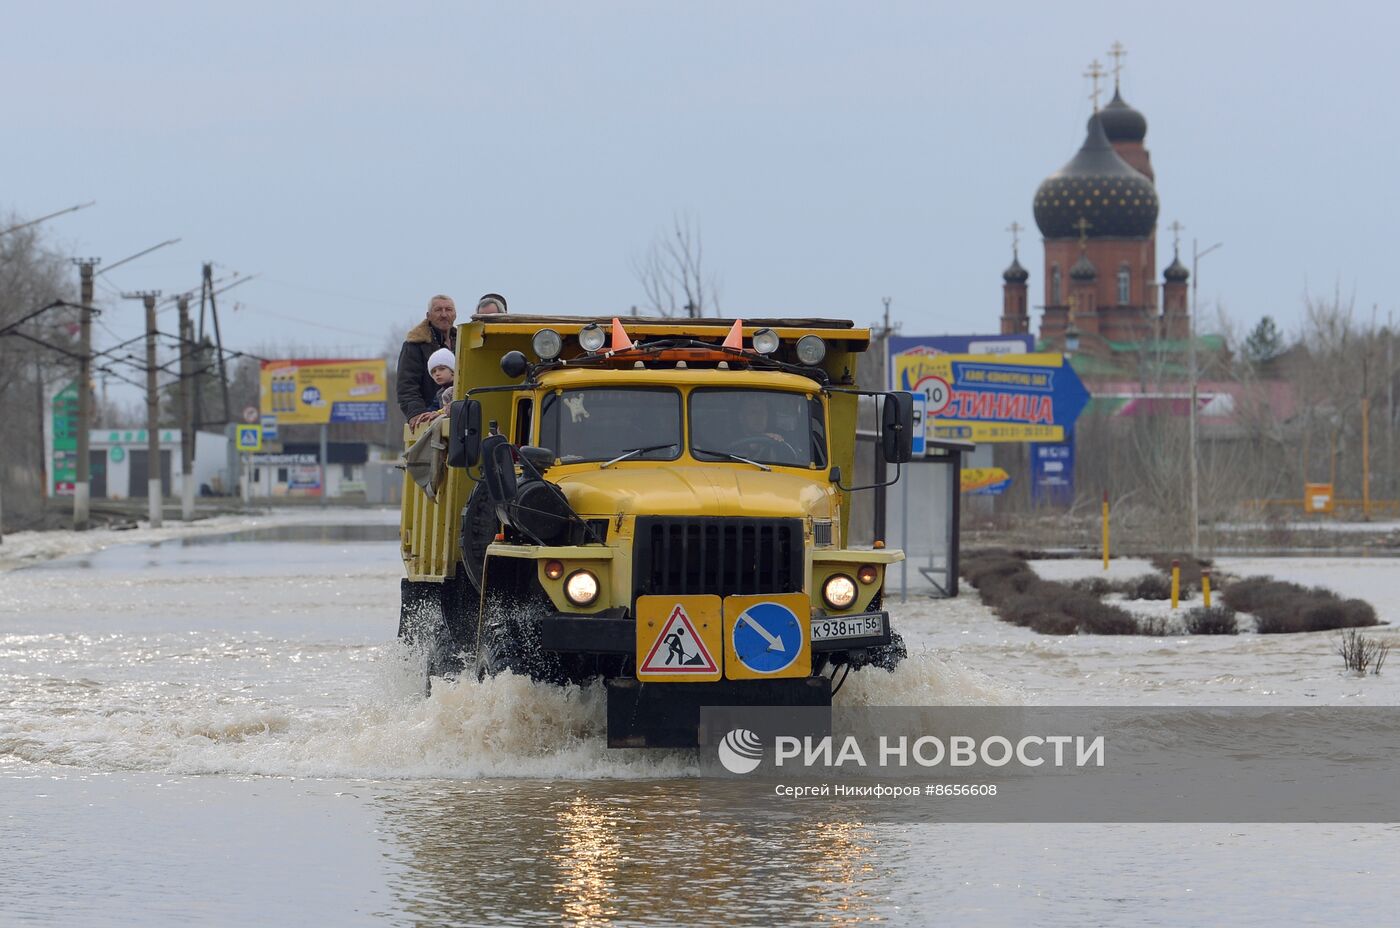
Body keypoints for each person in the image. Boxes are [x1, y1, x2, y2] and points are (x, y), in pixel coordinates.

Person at [398, 294, 456, 428]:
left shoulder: (463, 343)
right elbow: (407, 386)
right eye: (438, 310)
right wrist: (417, 414)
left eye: (448, 309)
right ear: (428, 315)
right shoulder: (415, 345)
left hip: (459, 415)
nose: (444, 314)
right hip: (429, 417)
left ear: (455, 314)